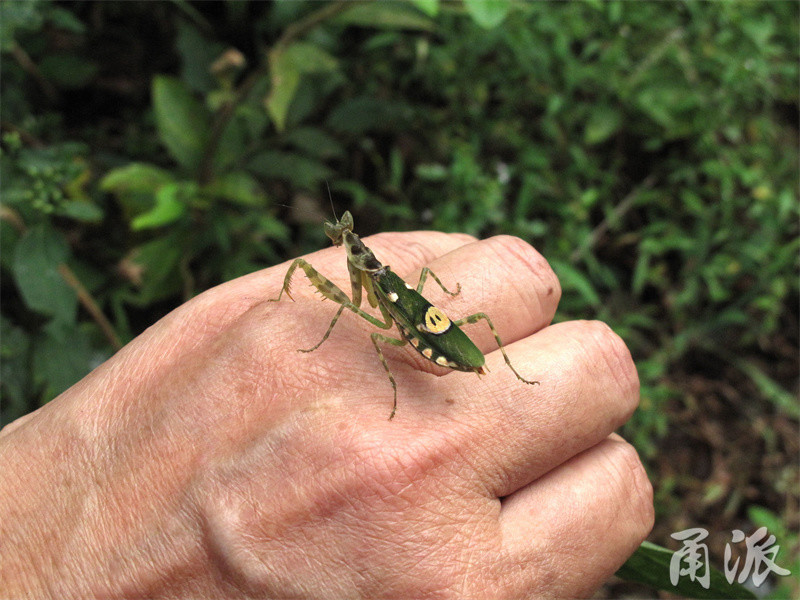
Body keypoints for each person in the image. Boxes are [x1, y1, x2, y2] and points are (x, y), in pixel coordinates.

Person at [0, 231, 653, 598]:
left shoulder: (376, 296)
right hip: (423, 329)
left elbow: (377, 318)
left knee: (391, 330)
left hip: (430, 338)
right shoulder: (376, 284)